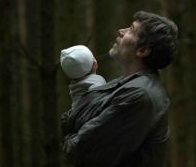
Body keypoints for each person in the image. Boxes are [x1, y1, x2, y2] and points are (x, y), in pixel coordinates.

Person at [61, 10, 179, 167]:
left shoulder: (139, 95)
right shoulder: (130, 86)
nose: (121, 31)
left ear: (142, 50)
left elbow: (81, 150)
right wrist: (87, 83)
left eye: (131, 29)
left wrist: (68, 137)